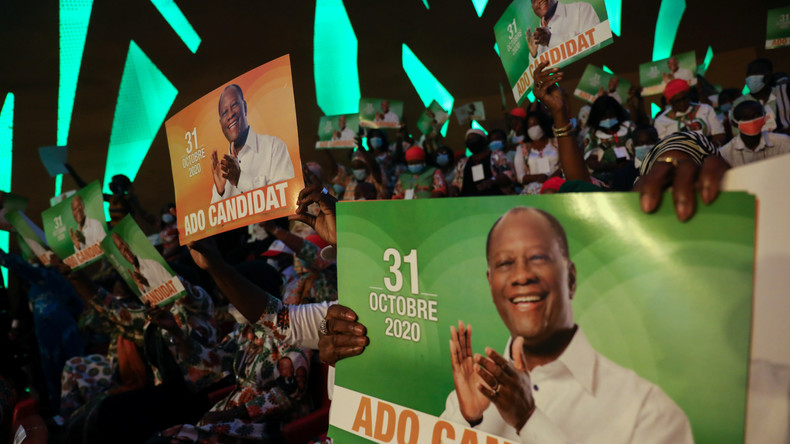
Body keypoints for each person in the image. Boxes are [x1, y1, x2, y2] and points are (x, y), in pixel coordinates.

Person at [439, 207, 692, 443]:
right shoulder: (470, 397)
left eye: (538, 258)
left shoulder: (648, 411)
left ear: (570, 278)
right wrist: (469, 419)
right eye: (505, 263)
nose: (521, 276)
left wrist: (528, 419)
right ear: (491, 284)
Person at [210, 84, 295, 203]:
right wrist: (220, 192)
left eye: (234, 105)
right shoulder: (222, 171)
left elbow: (287, 199)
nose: (230, 115)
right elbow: (216, 220)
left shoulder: (274, 147)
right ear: (221, 124)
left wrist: (240, 178)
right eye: (224, 113)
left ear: (244, 107)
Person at [718, 100, 790, 168]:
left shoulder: (783, 142)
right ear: (734, 124)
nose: (753, 120)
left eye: (757, 115)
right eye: (746, 117)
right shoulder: (725, 154)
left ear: (764, 117)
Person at [654, 79, 726, 146]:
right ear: (670, 102)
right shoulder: (661, 121)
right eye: (677, 101)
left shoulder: (705, 109)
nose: (682, 103)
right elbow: (664, 146)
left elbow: (719, 135)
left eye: (684, 98)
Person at [451, 129, 515, 196]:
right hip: (467, 202)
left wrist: (492, 181)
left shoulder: (497, 155)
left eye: (474, 139)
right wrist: (453, 188)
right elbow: (456, 183)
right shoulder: (462, 163)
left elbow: (509, 175)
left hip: (494, 199)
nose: (472, 142)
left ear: (484, 140)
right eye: (469, 140)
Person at [526, 0, 601, 57]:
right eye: (534, 0)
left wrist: (551, 39)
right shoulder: (536, 38)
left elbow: (594, 45)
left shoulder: (581, 9)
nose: (539, 1)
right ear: (532, 7)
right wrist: (534, 55)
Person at [734, 58, 790, 134]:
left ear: (768, 76)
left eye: (756, 73)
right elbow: (737, 133)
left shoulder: (783, 92)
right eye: (749, 74)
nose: (751, 77)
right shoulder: (739, 103)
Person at [514, 110, 560, 194]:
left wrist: (552, 178)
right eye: (529, 125)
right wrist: (538, 177)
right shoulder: (522, 149)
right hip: (533, 189)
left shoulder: (556, 143)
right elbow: (520, 177)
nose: (533, 128)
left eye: (535, 124)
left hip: (557, 184)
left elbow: (565, 164)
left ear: (543, 124)